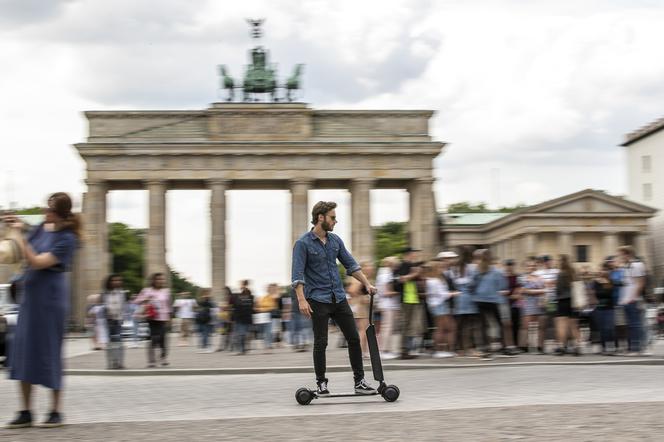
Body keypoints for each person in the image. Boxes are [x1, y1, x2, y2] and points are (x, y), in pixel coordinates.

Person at [6, 192, 80, 429]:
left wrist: (20, 236)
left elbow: (37, 261)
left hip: (50, 300)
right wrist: (18, 226)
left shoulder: (68, 238)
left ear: (59, 213)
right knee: (23, 350)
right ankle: (26, 410)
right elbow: (22, 249)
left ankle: (55, 411)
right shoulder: (40, 229)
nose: (44, 213)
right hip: (31, 298)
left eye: (48, 210)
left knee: (49, 351)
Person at [291, 201, 377, 395]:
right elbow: (297, 275)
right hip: (317, 300)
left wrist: (367, 284)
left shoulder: (335, 241)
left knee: (354, 338)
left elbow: (351, 265)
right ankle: (321, 383)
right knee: (321, 342)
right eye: (332, 217)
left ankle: (359, 382)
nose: (335, 221)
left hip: (338, 298)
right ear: (320, 218)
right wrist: (301, 300)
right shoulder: (303, 243)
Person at [134, 273, 171, 368]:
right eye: (158, 279)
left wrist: (169, 317)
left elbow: (167, 306)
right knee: (154, 338)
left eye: (162, 279)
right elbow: (136, 301)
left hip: (163, 318)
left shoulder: (166, 291)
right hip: (151, 317)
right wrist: (146, 299)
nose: (160, 281)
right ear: (153, 280)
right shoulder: (147, 290)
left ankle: (163, 358)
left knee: (162, 339)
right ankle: (151, 361)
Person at [394, 247, 425, 360]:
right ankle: (403, 351)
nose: (415, 255)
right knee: (406, 326)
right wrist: (414, 274)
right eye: (413, 253)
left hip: (413, 299)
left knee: (412, 326)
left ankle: (408, 349)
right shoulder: (403, 265)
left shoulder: (412, 266)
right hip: (407, 299)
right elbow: (401, 279)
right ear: (409, 254)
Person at [450, 246, 480, 358]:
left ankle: (460, 349)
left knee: (460, 325)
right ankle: (469, 348)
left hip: (459, 299)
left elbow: (451, 284)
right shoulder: (472, 268)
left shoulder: (453, 270)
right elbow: (475, 284)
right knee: (469, 325)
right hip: (468, 299)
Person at [425, 259, 457, 358]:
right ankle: (439, 350)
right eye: (440, 267)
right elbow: (441, 294)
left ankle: (444, 349)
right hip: (439, 305)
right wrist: (453, 293)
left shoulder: (432, 280)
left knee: (446, 327)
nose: (442, 269)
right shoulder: (435, 281)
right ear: (435, 269)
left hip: (438, 305)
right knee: (441, 328)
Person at [617, 245, 646, 355]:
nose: (619, 257)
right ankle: (631, 348)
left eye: (621, 254)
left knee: (635, 324)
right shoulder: (626, 267)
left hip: (633, 300)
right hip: (626, 300)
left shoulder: (637, 265)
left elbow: (640, 283)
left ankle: (637, 348)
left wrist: (633, 298)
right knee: (629, 325)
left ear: (627, 254)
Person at [554, 255, 581, 356]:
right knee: (574, 326)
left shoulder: (561, 274)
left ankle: (561, 347)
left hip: (563, 301)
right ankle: (577, 347)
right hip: (575, 301)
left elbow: (558, 290)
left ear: (561, 262)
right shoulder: (574, 273)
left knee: (562, 325)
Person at [519, 260, 547, 353]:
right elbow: (523, 291)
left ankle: (540, 346)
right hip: (527, 303)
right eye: (529, 266)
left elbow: (545, 290)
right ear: (526, 267)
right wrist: (539, 291)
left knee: (541, 326)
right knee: (525, 326)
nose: (531, 267)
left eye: (533, 266)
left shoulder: (540, 278)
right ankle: (524, 346)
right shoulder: (522, 278)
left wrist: (540, 295)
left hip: (539, 303)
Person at [375, 256, 400, 359]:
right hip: (388, 304)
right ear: (391, 265)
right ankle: (383, 351)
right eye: (396, 264)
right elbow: (386, 292)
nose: (397, 266)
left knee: (387, 328)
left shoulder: (383, 274)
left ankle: (386, 350)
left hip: (387, 304)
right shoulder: (386, 275)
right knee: (387, 328)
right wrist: (398, 292)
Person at [348, 262, 373, 358]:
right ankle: (361, 352)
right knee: (363, 330)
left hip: (362, 306)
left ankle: (363, 351)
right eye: (368, 266)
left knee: (364, 329)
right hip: (360, 306)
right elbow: (352, 290)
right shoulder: (360, 277)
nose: (371, 268)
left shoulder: (364, 277)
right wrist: (362, 297)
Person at [102, 274, 126, 369]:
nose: (116, 282)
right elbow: (103, 306)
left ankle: (119, 362)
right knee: (110, 343)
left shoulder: (122, 293)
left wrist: (122, 317)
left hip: (118, 320)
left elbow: (123, 306)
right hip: (108, 321)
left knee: (119, 342)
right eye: (113, 280)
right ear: (109, 282)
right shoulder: (105, 293)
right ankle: (110, 363)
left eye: (118, 280)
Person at [593, 261, 616, 354]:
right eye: (602, 269)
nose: (603, 271)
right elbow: (598, 294)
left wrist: (605, 285)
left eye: (605, 270)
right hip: (599, 308)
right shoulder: (596, 282)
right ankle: (603, 347)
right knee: (602, 328)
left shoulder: (611, 281)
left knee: (609, 328)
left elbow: (610, 293)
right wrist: (604, 287)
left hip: (609, 307)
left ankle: (611, 346)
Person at [233, 280, 254, 355]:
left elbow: (248, 306)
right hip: (241, 317)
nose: (240, 286)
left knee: (242, 334)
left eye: (241, 284)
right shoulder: (241, 295)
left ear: (244, 285)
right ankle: (243, 349)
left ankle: (242, 350)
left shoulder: (247, 294)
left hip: (243, 317)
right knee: (242, 334)